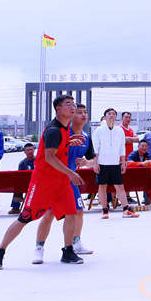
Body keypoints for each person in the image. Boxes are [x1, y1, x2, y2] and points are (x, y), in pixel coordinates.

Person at [0, 95, 86, 270]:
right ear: (58, 109)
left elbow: (57, 150)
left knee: (72, 213)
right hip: (43, 182)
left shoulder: (65, 128)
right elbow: (49, 158)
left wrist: (68, 143)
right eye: (68, 104)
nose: (73, 107)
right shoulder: (53, 130)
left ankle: (68, 251)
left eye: (73, 104)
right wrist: (71, 173)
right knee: (25, 218)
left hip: (61, 182)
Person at [33, 103, 96, 263]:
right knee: (49, 214)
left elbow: (94, 160)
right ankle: (39, 248)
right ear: (71, 115)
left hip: (70, 180)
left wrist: (87, 162)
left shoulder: (87, 137)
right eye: (79, 112)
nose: (83, 115)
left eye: (85, 112)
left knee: (78, 212)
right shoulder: (61, 132)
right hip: (54, 179)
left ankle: (76, 244)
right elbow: (49, 156)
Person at [93, 108, 139, 219]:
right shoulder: (98, 131)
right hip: (102, 163)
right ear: (105, 117)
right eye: (109, 114)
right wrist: (95, 163)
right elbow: (95, 148)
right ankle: (104, 209)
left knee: (120, 186)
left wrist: (123, 163)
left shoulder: (119, 131)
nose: (111, 115)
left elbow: (122, 148)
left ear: (116, 117)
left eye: (113, 114)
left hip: (115, 163)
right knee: (102, 186)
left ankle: (126, 209)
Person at [8, 143, 37, 215]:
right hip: (26, 183)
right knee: (17, 186)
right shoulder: (22, 163)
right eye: (28, 150)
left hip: (37, 182)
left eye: (31, 150)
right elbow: (19, 175)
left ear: (34, 150)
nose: (30, 152)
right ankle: (15, 207)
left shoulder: (38, 160)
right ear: (24, 151)